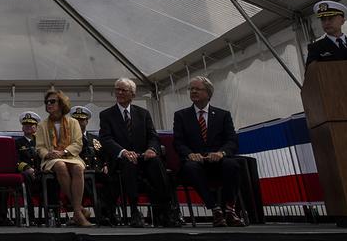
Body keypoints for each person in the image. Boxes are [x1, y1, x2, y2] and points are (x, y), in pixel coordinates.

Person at [99, 78, 177, 228]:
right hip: (122, 161)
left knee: (156, 162)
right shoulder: (106, 115)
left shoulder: (143, 113)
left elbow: (153, 136)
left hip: (144, 157)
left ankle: (165, 209)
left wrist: (151, 149)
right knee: (129, 163)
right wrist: (123, 152)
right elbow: (106, 139)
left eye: (123, 90)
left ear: (132, 94)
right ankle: (134, 211)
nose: (119, 93)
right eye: (117, 90)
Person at [173, 76, 244, 227]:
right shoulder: (181, 116)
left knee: (233, 165)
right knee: (190, 168)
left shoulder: (222, 115)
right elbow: (178, 142)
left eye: (197, 89)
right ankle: (215, 208)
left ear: (208, 93)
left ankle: (229, 210)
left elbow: (232, 140)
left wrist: (221, 153)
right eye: (191, 89)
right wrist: (189, 154)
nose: (193, 91)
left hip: (217, 159)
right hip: (195, 161)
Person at [36, 90, 92, 227]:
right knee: (60, 165)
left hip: (71, 156)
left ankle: (76, 211)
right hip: (51, 158)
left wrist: (64, 151)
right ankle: (79, 211)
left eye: (53, 101)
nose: (49, 104)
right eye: (47, 102)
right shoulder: (42, 125)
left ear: (62, 104)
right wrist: (47, 154)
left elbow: (78, 144)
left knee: (78, 168)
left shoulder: (73, 122)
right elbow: (40, 147)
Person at [71, 105, 116, 226]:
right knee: (90, 184)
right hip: (81, 173)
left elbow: (104, 154)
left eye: (82, 120)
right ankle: (102, 215)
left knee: (111, 180)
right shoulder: (69, 139)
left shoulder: (95, 139)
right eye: (76, 120)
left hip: (98, 171)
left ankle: (112, 214)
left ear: (86, 121)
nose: (79, 122)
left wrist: (106, 165)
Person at [306, 0, 347, 64]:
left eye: (330, 18)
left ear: (342, 20)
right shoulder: (316, 48)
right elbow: (310, 74)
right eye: (323, 19)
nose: (326, 23)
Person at [15, 111, 41, 225]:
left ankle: (53, 215)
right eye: (26, 125)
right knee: (26, 179)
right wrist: (27, 168)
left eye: (31, 125)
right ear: (22, 128)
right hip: (26, 174)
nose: (28, 127)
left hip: (41, 173)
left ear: (36, 127)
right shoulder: (17, 143)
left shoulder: (41, 142)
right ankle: (31, 217)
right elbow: (15, 160)